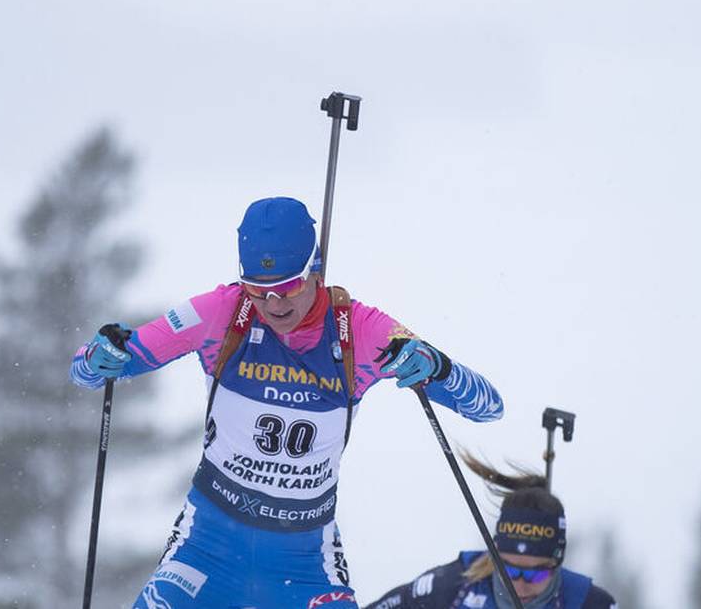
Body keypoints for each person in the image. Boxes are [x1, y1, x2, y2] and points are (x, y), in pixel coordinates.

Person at [71, 196, 505, 609]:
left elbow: (488, 407)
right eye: (257, 289)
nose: (273, 304)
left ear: (315, 268)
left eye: (288, 286)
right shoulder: (221, 313)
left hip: (305, 566)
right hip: (206, 549)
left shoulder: (360, 330)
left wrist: (438, 369)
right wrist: (101, 355)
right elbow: (89, 372)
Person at [364, 454, 616, 609]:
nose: (520, 584)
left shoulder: (589, 603)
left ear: (556, 563)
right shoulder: (447, 589)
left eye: (536, 576)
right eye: (509, 570)